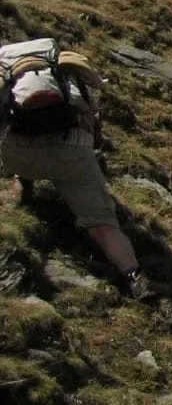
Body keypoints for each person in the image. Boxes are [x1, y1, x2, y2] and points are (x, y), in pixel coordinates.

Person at [1, 39, 149, 299]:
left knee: (17, 147)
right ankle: (134, 276)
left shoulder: (4, 76)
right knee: (103, 224)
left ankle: (24, 184)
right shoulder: (66, 69)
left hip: (17, 155)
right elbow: (91, 114)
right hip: (71, 154)